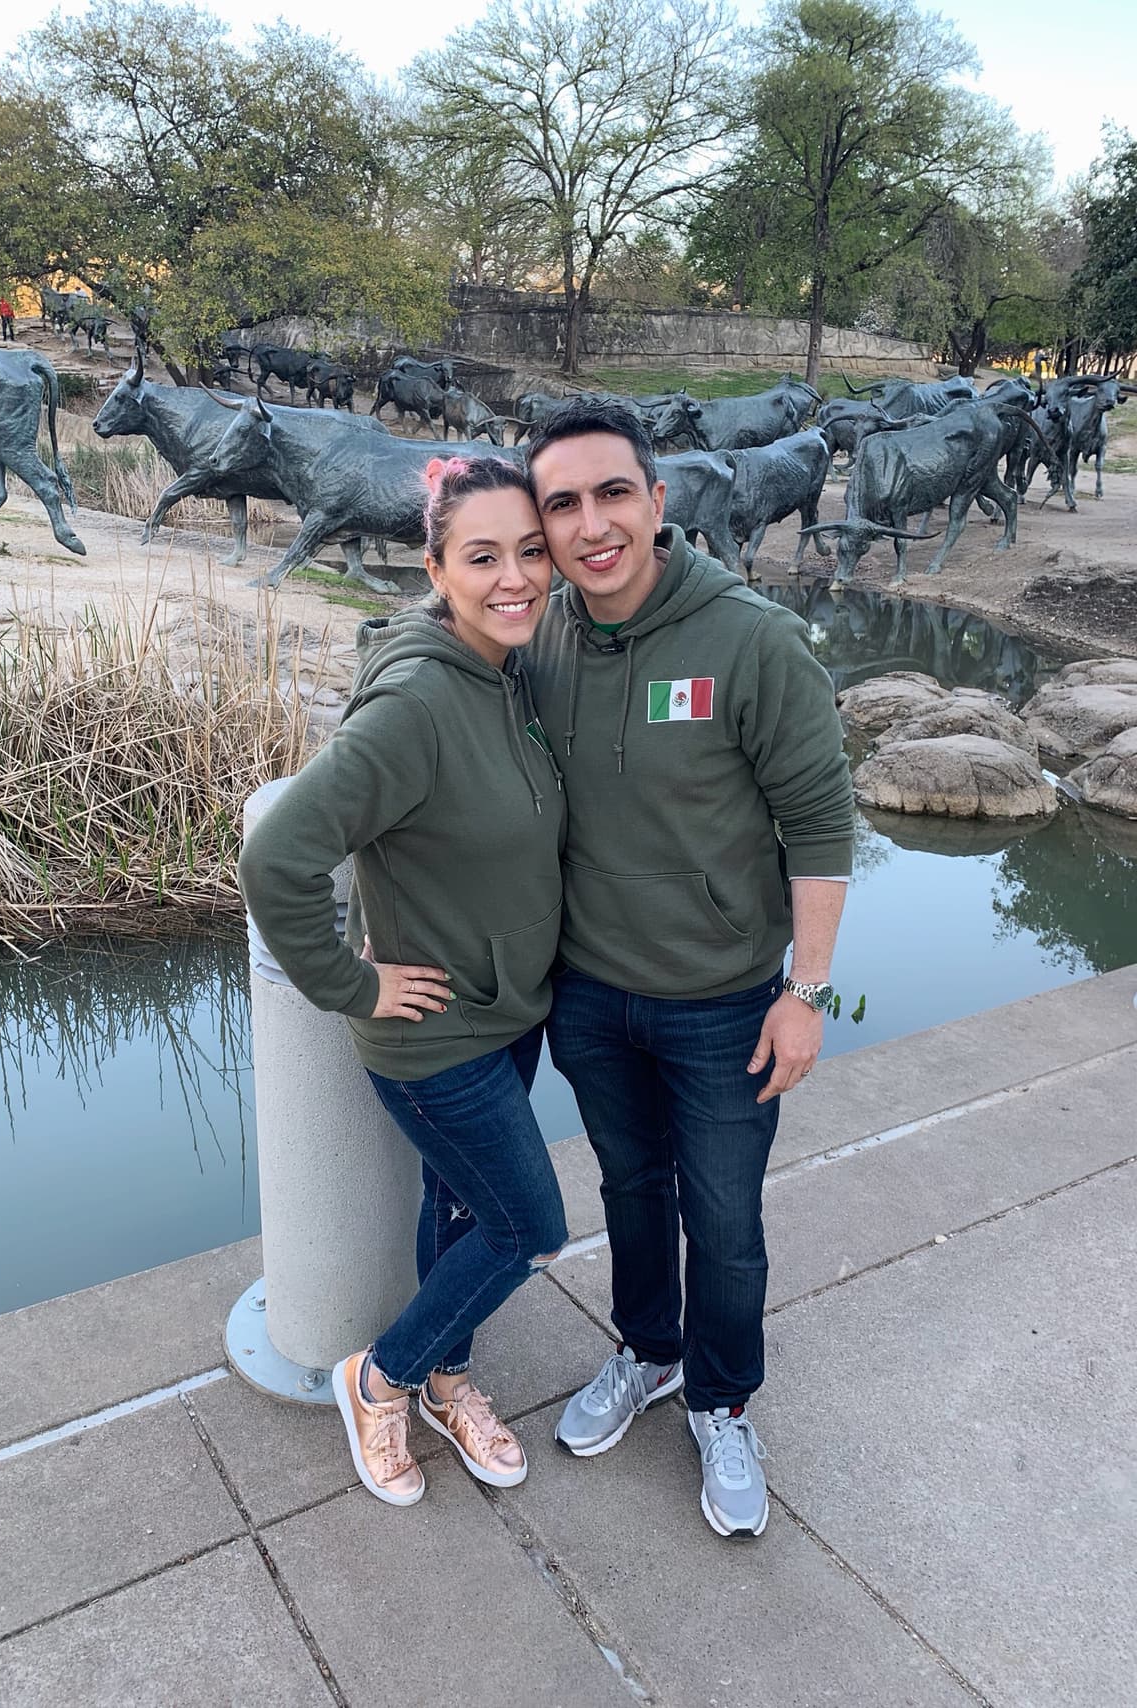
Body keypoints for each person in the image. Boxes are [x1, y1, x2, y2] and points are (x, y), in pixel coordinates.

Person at [522, 397, 854, 1538]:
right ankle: (649, 1352)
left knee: (721, 1219)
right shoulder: (540, 634)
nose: (589, 522)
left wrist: (802, 994)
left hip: (723, 1004)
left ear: (658, 502)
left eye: (611, 492)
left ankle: (720, 1398)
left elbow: (819, 824)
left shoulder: (749, 639)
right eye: (560, 503)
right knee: (628, 1191)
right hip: (591, 996)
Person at [238, 455, 568, 1508]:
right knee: (528, 1226)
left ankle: (445, 1378)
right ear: (435, 565)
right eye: (482, 556)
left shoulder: (504, 665)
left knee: (459, 1204)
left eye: (530, 552)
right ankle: (379, 1376)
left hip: (507, 1011)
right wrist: (351, 982)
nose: (514, 576)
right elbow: (277, 857)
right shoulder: (420, 698)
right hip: (434, 1038)